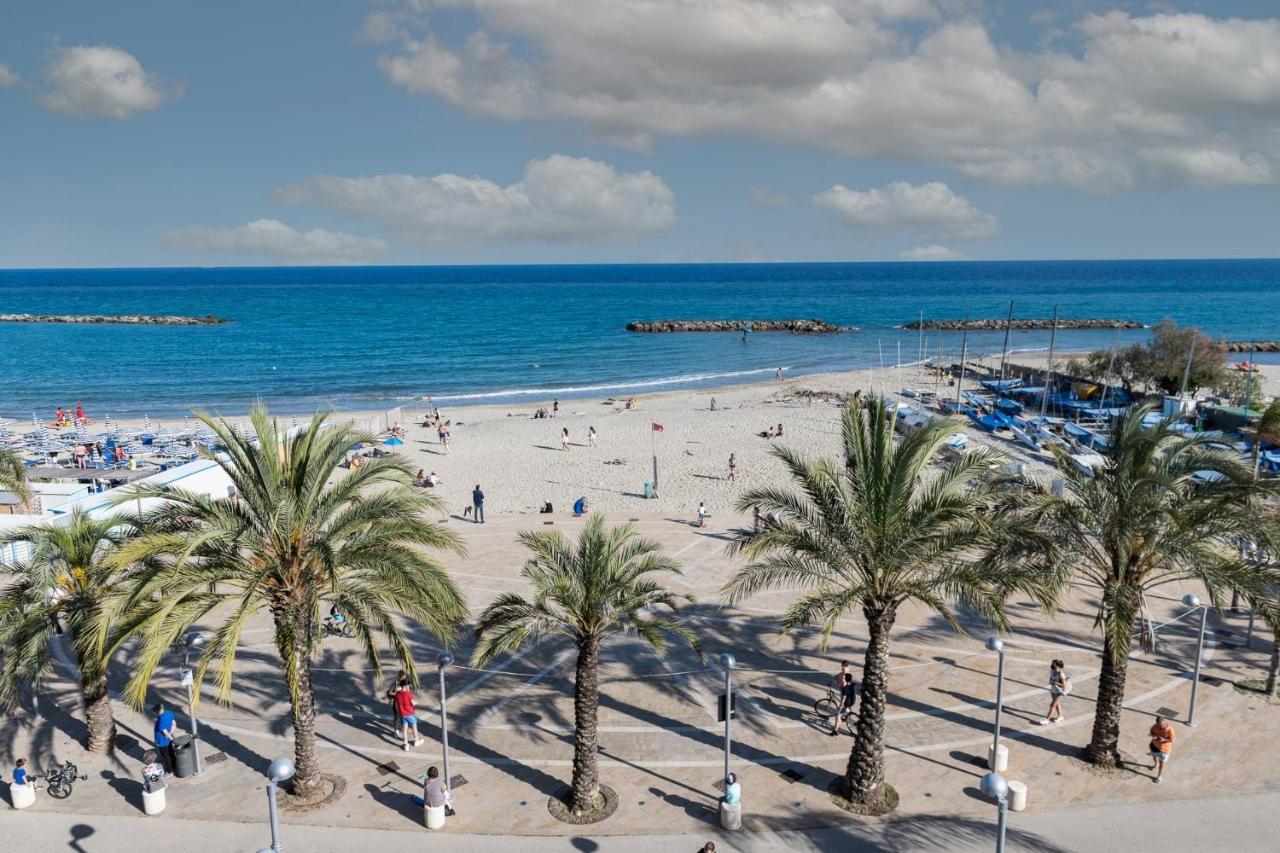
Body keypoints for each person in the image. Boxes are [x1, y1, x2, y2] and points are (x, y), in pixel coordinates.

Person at [1037, 659, 1070, 725]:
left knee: (1052, 705)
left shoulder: (1061, 675)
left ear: (1059, 667)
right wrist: (1052, 682)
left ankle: (1047, 719)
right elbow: (1050, 681)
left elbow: (1064, 685)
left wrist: (1056, 683)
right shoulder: (1052, 671)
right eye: (1052, 666)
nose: (1053, 668)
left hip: (1058, 692)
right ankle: (1060, 716)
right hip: (1053, 690)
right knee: (1057, 704)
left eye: (1054, 667)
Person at [395, 677, 423, 751]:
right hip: (410, 714)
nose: (409, 687)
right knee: (414, 727)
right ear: (406, 686)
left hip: (403, 715)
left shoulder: (397, 695)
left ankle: (406, 744)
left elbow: (397, 704)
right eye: (409, 685)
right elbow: (413, 703)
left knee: (405, 730)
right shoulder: (408, 694)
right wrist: (416, 703)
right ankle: (416, 741)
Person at [831, 662, 856, 736]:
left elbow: (843, 699)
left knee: (837, 715)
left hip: (847, 703)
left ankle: (835, 730)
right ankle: (845, 716)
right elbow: (840, 676)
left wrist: (840, 706)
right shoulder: (851, 684)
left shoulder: (844, 689)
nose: (842, 678)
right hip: (852, 701)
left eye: (843, 678)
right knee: (846, 711)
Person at [1148, 715, 1175, 783]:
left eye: (1161, 725)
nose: (1159, 727)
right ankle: (1156, 764)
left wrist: (1163, 739)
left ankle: (1159, 776)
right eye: (1158, 725)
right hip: (1154, 745)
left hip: (1164, 749)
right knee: (1154, 756)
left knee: (1162, 763)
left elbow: (1172, 740)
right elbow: (1151, 732)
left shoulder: (1170, 730)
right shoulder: (1154, 726)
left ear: (1164, 723)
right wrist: (1153, 735)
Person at [153, 702, 178, 773]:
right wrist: (171, 734)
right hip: (169, 739)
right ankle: (175, 764)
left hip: (162, 741)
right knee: (171, 752)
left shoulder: (160, 720)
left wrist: (171, 739)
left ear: (158, 711)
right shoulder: (169, 713)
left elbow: (164, 732)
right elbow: (174, 724)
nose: (154, 713)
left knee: (166, 756)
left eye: (155, 711)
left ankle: (169, 769)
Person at [385, 669, 405, 734]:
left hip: (403, 703)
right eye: (401, 676)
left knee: (403, 716)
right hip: (397, 703)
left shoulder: (405, 683)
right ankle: (396, 731)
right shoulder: (395, 683)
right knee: (397, 716)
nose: (402, 677)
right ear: (399, 676)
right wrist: (397, 694)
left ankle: (401, 728)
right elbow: (390, 692)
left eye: (403, 676)